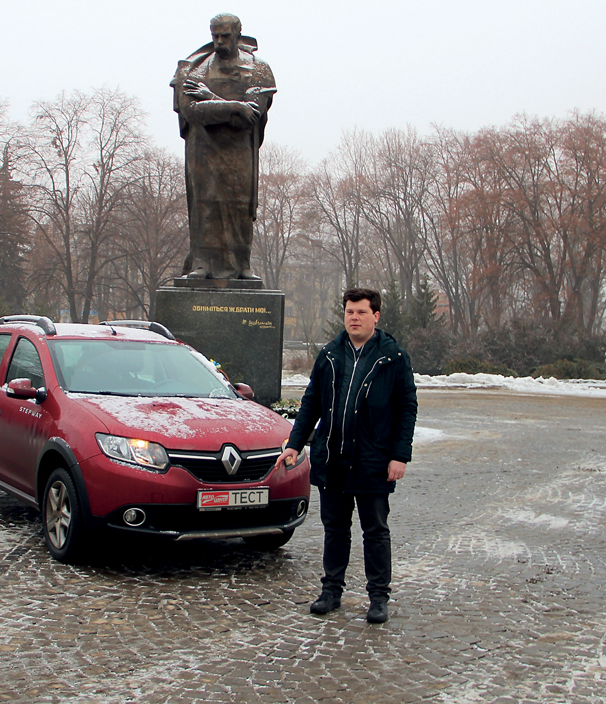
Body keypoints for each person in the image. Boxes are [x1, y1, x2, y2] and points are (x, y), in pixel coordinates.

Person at [274, 288, 417, 623]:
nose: (354, 318)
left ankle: (378, 597)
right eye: (350, 312)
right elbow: (310, 403)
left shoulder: (393, 358)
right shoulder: (329, 355)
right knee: (335, 529)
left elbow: (407, 409)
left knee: (375, 530)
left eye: (361, 312)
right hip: (333, 458)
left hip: (373, 460)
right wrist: (295, 443)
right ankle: (331, 590)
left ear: (376, 316)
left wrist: (400, 456)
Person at [170, 13, 275, 280]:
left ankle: (242, 266)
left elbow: (252, 115)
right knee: (205, 205)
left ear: (238, 35)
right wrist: (235, 106)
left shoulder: (258, 70)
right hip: (203, 151)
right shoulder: (193, 69)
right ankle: (202, 263)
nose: (219, 41)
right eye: (215, 35)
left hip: (239, 153)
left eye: (225, 36)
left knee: (239, 206)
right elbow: (192, 111)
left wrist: (210, 98)